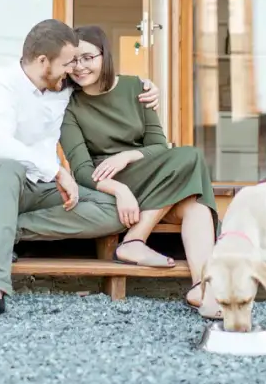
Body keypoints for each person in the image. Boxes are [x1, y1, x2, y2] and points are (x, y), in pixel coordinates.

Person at [0, 19, 160, 323]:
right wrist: (57, 171)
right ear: (43, 62)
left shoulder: (61, 88)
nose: (73, 70)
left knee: (111, 209)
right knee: (9, 166)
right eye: (67, 63)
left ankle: (1, 231)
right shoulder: (0, 85)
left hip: (38, 190)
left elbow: (103, 81)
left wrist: (145, 87)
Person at [59, 25, 221, 319]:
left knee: (194, 204)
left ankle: (202, 287)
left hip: (148, 173)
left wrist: (128, 155)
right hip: (108, 181)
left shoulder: (137, 88)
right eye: (73, 61)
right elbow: (82, 171)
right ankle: (134, 241)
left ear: (104, 55)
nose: (79, 67)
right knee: (191, 159)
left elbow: (159, 146)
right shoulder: (68, 106)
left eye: (87, 57)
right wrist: (119, 190)